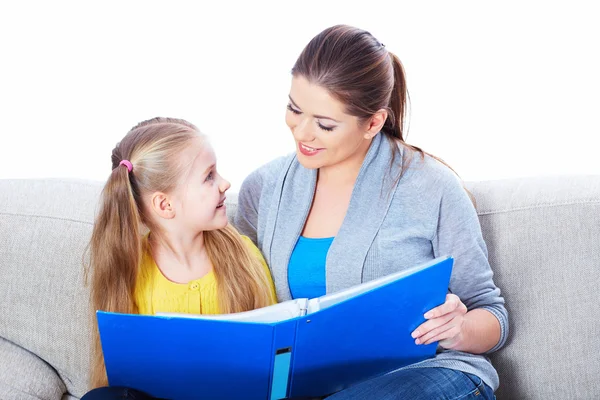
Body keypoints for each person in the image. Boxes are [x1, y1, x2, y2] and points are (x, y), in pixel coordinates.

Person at [234, 24, 508, 399]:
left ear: (373, 123)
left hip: (433, 377)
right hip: (316, 386)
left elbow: (492, 314)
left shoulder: (432, 187)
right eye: (294, 109)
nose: (302, 132)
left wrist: (460, 328)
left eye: (325, 124)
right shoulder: (263, 188)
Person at [82, 117, 277, 399]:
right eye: (209, 176)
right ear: (165, 204)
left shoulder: (243, 254)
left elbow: (272, 349)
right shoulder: (131, 272)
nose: (225, 183)